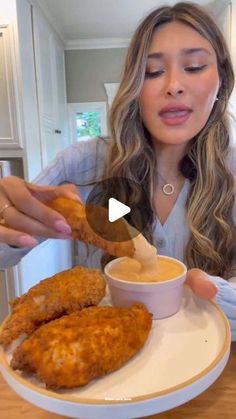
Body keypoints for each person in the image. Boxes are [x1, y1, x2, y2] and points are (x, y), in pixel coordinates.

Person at [0, 2, 235, 337]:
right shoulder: (85, 163)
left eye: (194, 66)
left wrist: (217, 295)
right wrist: (7, 217)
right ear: (133, 89)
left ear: (222, 80)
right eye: (152, 72)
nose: (173, 85)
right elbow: (5, 251)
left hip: (215, 373)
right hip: (110, 376)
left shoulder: (233, 171)